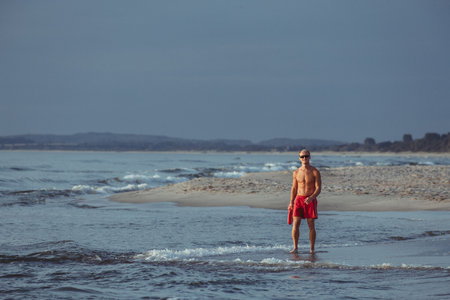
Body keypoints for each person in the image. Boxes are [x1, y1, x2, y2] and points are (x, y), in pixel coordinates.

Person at [288, 149, 322, 254]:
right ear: (299, 158)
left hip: (310, 199)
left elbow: (318, 188)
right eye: (302, 157)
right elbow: (294, 188)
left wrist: (312, 197)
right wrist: (291, 202)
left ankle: (312, 248)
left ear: (310, 157)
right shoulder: (296, 172)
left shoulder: (315, 171)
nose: (304, 158)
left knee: (311, 225)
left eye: (306, 156)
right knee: (296, 223)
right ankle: (295, 247)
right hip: (299, 199)